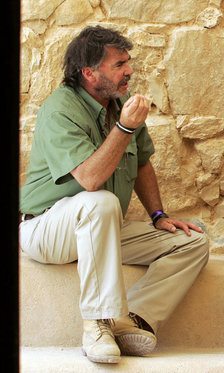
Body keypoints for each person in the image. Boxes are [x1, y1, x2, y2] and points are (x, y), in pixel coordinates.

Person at [19, 25, 209, 364]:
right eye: (119, 64)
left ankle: (132, 320)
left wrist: (158, 216)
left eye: (128, 61)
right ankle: (96, 323)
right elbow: (90, 179)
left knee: (191, 240)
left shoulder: (119, 104)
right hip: (46, 229)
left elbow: (142, 165)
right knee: (101, 201)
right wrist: (124, 127)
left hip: (100, 227)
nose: (129, 71)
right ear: (89, 73)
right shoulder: (60, 109)